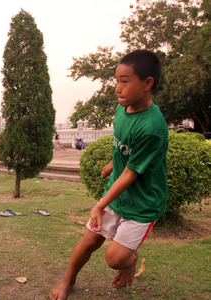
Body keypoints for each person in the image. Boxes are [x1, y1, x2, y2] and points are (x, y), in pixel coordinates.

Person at [49, 50, 168, 300]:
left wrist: (99, 204)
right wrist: (113, 165)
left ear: (147, 84)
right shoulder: (122, 109)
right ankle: (67, 281)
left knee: (114, 259)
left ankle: (129, 260)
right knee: (90, 240)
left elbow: (131, 174)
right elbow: (126, 149)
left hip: (143, 203)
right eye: (117, 81)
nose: (118, 88)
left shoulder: (153, 127)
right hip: (118, 191)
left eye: (125, 81)